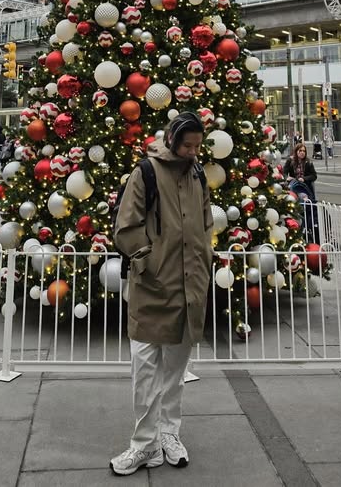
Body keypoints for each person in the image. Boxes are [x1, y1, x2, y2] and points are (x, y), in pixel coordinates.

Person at [110, 111, 213, 477]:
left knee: (175, 373)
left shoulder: (198, 173)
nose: (193, 152)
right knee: (145, 371)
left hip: (189, 290)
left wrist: (205, 259)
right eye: (188, 145)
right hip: (152, 289)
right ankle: (143, 444)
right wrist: (149, 262)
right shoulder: (147, 172)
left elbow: (205, 224)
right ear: (172, 140)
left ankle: (169, 435)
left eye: (198, 146)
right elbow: (125, 227)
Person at [284, 142, 319, 243]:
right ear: (296, 152)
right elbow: (284, 173)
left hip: (305, 189)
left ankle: (307, 228)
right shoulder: (290, 161)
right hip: (293, 188)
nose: (302, 153)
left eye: (304, 151)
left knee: (306, 207)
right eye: (300, 151)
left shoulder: (308, 162)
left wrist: (304, 178)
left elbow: (314, 175)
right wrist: (288, 178)